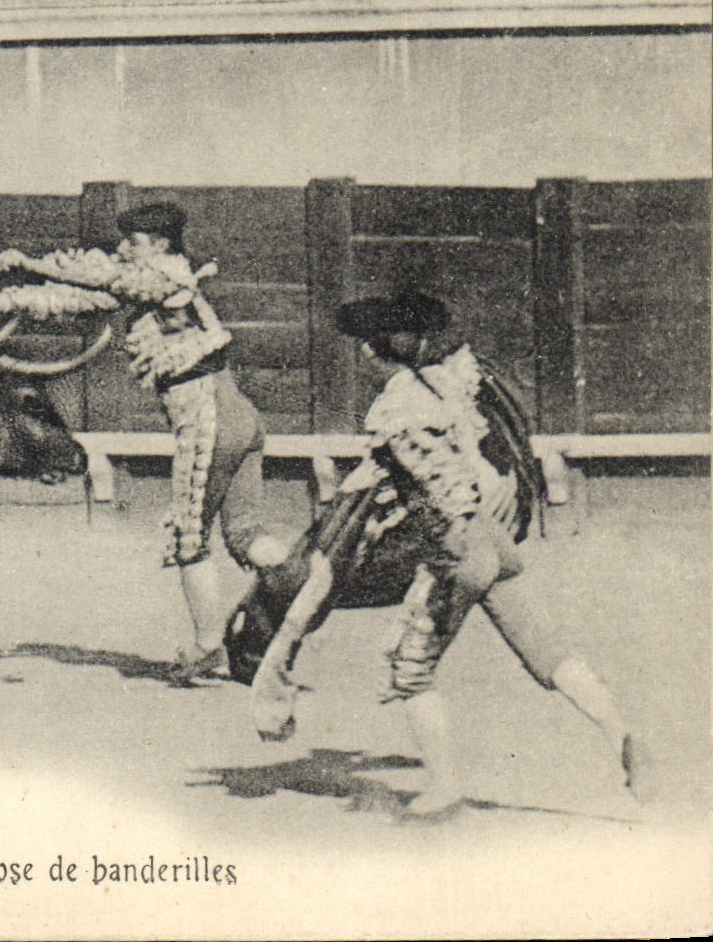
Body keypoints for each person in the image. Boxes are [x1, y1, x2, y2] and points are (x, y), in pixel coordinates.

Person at [254, 290, 647, 816]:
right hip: (495, 539)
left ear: (375, 352)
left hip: (456, 551)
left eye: (364, 351)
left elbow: (420, 497)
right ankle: (622, 734)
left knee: (409, 672)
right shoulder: (452, 384)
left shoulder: (398, 408)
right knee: (546, 654)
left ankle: (443, 789)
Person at [0, 203, 278, 678]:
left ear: (162, 245)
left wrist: (29, 261)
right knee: (245, 535)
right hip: (239, 415)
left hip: (207, 419)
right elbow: (80, 299)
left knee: (189, 541)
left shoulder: (166, 275)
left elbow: (114, 283)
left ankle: (210, 644)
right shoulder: (160, 283)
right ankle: (304, 583)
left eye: (134, 242)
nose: (123, 250)